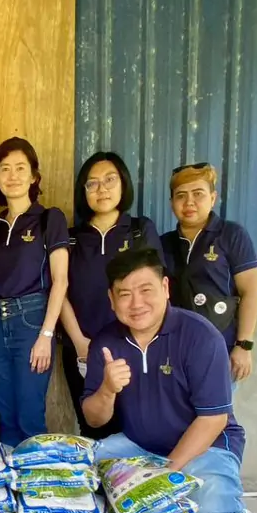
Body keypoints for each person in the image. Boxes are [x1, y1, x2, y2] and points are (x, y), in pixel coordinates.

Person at [82, 247, 256, 513]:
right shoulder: (105, 343)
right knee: (80, 475)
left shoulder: (200, 336)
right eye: (124, 294)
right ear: (111, 299)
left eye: (145, 290)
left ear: (165, 288)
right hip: (139, 444)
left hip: (206, 446)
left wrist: (163, 478)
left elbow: (213, 418)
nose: (136, 304)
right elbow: (94, 419)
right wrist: (107, 389)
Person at [60, 151, 163, 437]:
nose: (101, 189)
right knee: (93, 424)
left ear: (123, 184)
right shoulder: (70, 238)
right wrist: (80, 342)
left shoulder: (140, 230)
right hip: (82, 348)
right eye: (92, 183)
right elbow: (59, 290)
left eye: (109, 180)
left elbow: (156, 290)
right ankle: (100, 483)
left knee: (139, 425)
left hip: (134, 345)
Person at [0, 137, 69, 446]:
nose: (13, 175)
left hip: (32, 321)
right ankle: (12, 492)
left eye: (21, 168)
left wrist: (46, 335)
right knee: (5, 420)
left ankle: (38, 490)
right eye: (4, 168)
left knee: (29, 418)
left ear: (34, 176)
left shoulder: (49, 218)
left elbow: (61, 280)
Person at [160, 163, 257, 383]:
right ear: (171, 203)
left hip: (220, 347)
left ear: (213, 198)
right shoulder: (163, 243)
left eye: (198, 194)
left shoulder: (231, 235)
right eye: (181, 196)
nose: (189, 202)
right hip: (174, 348)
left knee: (216, 415)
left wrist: (244, 345)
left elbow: (251, 291)